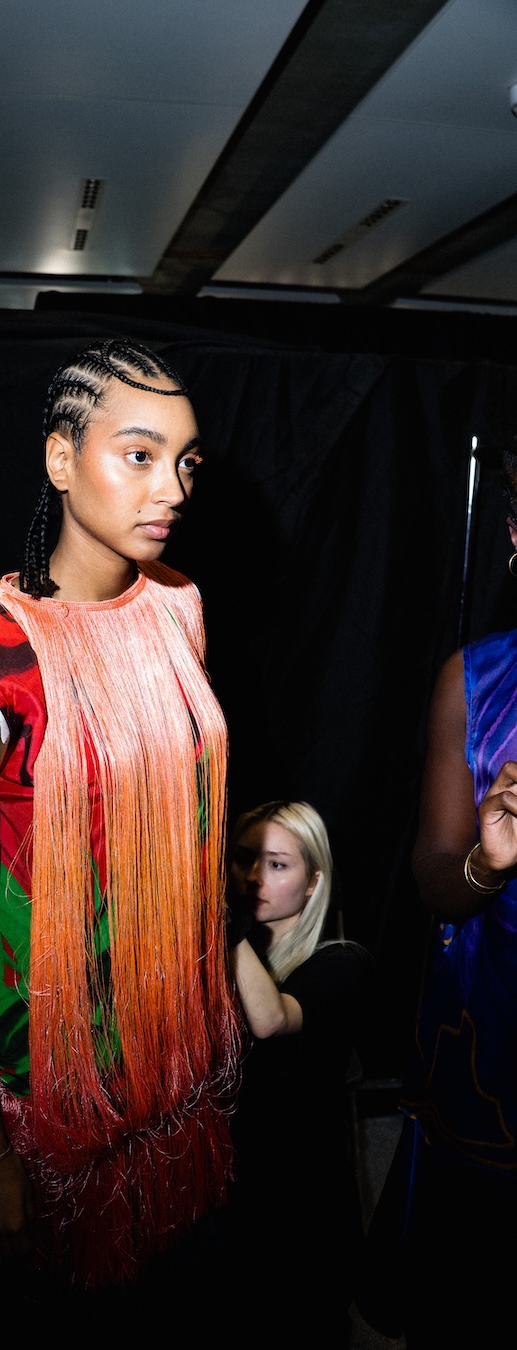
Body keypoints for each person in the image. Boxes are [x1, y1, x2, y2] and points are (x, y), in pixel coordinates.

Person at [0, 337, 243, 1332]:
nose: (172, 487)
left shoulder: (178, 607)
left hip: (162, 1043)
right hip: (36, 1061)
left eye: (187, 460)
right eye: (139, 454)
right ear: (60, 459)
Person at [358, 440, 517, 1348]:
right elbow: (435, 880)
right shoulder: (475, 679)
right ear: (514, 536)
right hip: (495, 1022)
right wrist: (489, 864)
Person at [222, 800, 375, 1348]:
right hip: (231, 1198)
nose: (253, 877)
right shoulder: (218, 960)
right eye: (244, 859)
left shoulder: (342, 962)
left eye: (276, 864)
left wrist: (220, 919)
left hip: (303, 1208)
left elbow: (270, 1019)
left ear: (314, 883)